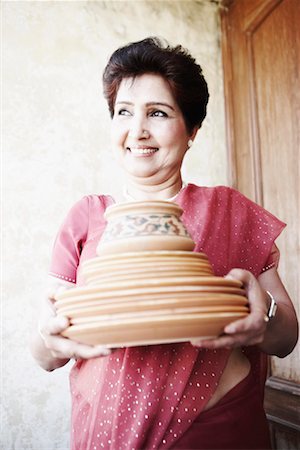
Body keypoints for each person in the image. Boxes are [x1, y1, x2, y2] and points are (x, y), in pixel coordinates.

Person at [30, 37, 298, 449]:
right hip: (106, 432)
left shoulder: (231, 209)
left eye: (157, 112)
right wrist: (49, 339)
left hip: (218, 432)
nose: (137, 130)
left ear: (192, 130)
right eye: (124, 112)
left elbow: (286, 338)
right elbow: (47, 354)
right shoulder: (85, 215)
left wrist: (261, 321)